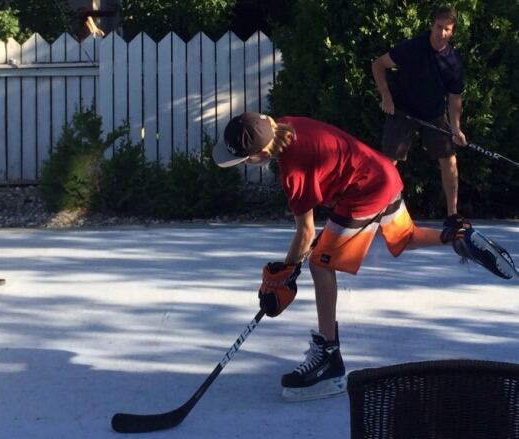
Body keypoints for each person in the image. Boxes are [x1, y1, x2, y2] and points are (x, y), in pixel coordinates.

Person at [211, 112, 515, 402]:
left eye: (243, 159)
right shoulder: (287, 125)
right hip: (383, 174)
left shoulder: (292, 169)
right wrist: (289, 268)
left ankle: (329, 360)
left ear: (260, 155)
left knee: (319, 264)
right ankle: (459, 236)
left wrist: (286, 272)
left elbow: (305, 234)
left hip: (365, 192)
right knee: (403, 237)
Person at [371, 5, 466, 225]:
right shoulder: (413, 47)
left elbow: (454, 98)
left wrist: (455, 127)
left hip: (433, 114)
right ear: (431, 25)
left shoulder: (453, 62)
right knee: (388, 162)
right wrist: (386, 97)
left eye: (447, 29)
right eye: (439, 27)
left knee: (449, 160)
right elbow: (378, 65)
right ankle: (373, 212)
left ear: (452, 32)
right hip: (402, 110)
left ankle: (453, 215)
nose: (442, 33)